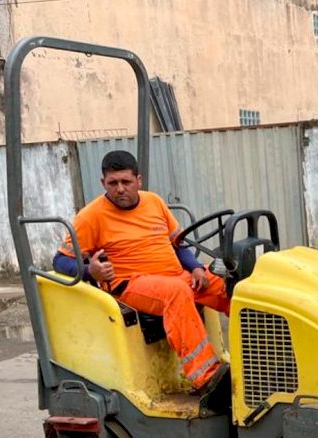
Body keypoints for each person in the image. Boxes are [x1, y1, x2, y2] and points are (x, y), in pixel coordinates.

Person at [53, 150, 230, 397]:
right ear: (103, 183)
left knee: (228, 284)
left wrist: (196, 267)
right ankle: (207, 378)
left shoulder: (154, 202)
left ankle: (264, 358)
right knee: (176, 293)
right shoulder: (90, 216)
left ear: (139, 180)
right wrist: (88, 270)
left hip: (175, 276)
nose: (120, 189)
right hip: (130, 284)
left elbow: (177, 244)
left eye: (126, 182)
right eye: (113, 183)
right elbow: (60, 260)